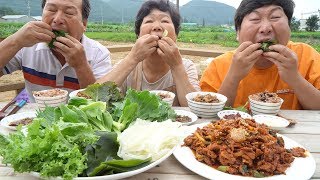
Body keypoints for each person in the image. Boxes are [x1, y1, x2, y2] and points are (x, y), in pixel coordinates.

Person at [200, 0, 320, 110]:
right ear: (238, 32)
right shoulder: (218, 66)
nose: (266, 28)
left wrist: (295, 78)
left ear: (289, 27)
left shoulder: (307, 56)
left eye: (275, 17)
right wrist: (233, 77)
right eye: (255, 19)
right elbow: (208, 113)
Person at [0, 0, 112, 102]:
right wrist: (15, 41)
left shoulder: (99, 53)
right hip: (34, 119)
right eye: (51, 10)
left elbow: (101, 104)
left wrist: (81, 66)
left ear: (84, 24)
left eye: (69, 12)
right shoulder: (26, 45)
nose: (57, 20)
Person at [97, 0, 200, 106]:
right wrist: (132, 58)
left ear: (176, 35)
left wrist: (177, 66)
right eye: (149, 21)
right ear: (138, 35)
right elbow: (95, 98)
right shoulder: (126, 67)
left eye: (165, 21)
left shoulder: (186, 67)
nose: (157, 27)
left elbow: (197, 108)